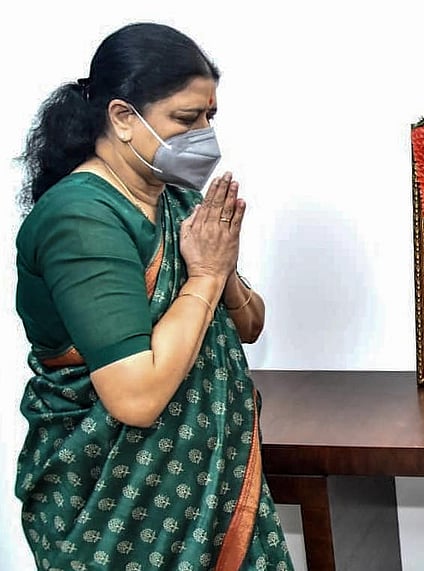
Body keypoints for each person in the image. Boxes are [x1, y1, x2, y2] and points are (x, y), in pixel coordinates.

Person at [14, 23, 294, 570]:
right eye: (187, 120)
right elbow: (136, 398)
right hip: (113, 505)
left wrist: (221, 270)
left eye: (210, 117)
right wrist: (206, 277)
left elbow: (249, 324)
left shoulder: (177, 200)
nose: (204, 135)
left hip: (207, 485)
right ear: (122, 118)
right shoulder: (81, 218)